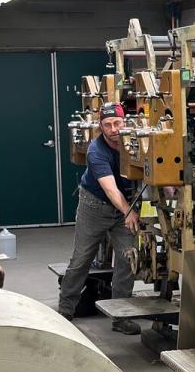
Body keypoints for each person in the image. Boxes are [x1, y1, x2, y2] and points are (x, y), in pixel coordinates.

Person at [58, 102, 139, 319]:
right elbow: (110, 189)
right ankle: (65, 310)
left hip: (124, 208)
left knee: (128, 259)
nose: (113, 129)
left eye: (117, 123)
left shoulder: (138, 143)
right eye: (108, 124)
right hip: (95, 206)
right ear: (100, 127)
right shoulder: (96, 151)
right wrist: (129, 212)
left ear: (125, 122)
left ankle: (121, 317)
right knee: (82, 258)